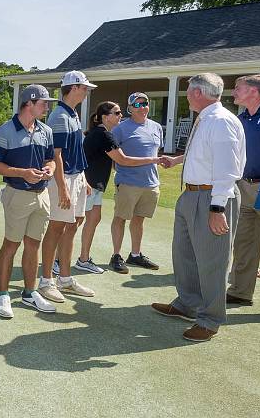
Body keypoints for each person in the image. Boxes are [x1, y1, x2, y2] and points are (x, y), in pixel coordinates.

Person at [153, 73, 245, 342]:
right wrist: (178, 161)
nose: (187, 95)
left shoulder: (220, 121)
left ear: (197, 92)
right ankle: (187, 304)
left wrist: (217, 209)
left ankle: (210, 319)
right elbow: (205, 155)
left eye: (189, 90)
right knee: (184, 254)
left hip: (212, 198)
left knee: (212, 261)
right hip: (192, 196)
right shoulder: (206, 119)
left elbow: (227, 169)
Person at [0, 84, 57, 317]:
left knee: (33, 244)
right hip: (17, 194)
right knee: (11, 245)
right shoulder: (5, 131)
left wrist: (49, 168)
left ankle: (29, 292)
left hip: (43, 195)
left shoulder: (45, 130)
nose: (47, 107)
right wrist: (22, 172)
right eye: (44, 103)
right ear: (29, 103)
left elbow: (51, 159)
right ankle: (3, 295)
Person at [78, 101, 162, 274]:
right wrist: (154, 160)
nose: (120, 116)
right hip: (87, 185)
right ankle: (60, 261)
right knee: (75, 223)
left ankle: (83, 259)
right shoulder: (104, 135)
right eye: (116, 113)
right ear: (105, 117)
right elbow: (122, 160)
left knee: (92, 220)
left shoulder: (103, 134)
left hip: (95, 186)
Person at [39, 70, 95, 303]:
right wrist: (62, 188)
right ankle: (46, 282)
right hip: (63, 180)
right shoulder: (60, 117)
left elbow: (75, 151)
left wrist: (84, 179)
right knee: (57, 227)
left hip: (77, 177)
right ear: (73, 88)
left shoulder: (72, 114)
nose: (86, 91)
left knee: (72, 225)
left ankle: (65, 278)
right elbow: (56, 156)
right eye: (84, 88)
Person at [108, 93, 165, 273]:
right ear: (130, 108)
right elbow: (112, 156)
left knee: (139, 219)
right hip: (127, 182)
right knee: (120, 218)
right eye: (137, 105)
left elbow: (155, 152)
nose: (142, 107)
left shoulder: (156, 127)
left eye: (145, 104)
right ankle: (116, 255)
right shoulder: (120, 129)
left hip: (151, 183)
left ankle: (135, 254)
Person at [226, 74, 260, 306]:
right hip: (244, 186)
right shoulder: (240, 119)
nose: (234, 92)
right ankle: (240, 291)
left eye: (238, 88)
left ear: (254, 91)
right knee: (245, 242)